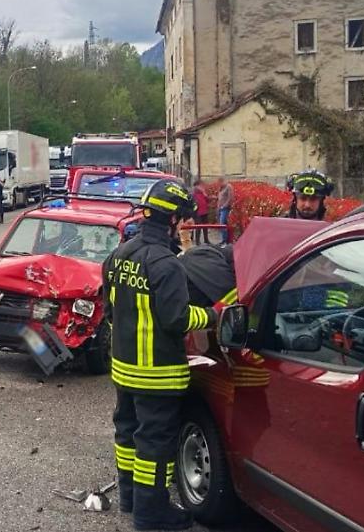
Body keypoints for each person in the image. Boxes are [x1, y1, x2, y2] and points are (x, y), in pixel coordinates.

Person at [103, 178, 217, 530]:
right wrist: (212, 316)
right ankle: (151, 514)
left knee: (127, 433)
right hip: (157, 374)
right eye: (184, 220)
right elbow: (177, 319)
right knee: (154, 445)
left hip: (123, 368)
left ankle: (130, 498)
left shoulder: (119, 255)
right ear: (173, 220)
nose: (184, 227)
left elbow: (109, 309)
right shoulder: (167, 264)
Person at [191, 179, 210, 245]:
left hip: (204, 211)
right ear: (197, 186)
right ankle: (197, 241)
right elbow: (192, 202)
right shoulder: (193, 193)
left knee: (205, 226)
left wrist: (205, 194)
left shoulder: (203, 192)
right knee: (198, 227)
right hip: (197, 212)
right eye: (201, 185)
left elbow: (207, 200)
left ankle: (206, 239)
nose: (202, 187)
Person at [216, 176, 233, 245]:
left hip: (225, 208)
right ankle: (225, 240)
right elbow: (219, 198)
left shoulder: (228, 187)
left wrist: (225, 205)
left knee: (222, 223)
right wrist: (218, 207)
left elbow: (230, 197)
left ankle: (225, 240)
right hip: (220, 208)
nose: (218, 184)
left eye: (219, 183)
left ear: (222, 181)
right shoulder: (221, 188)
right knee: (223, 224)